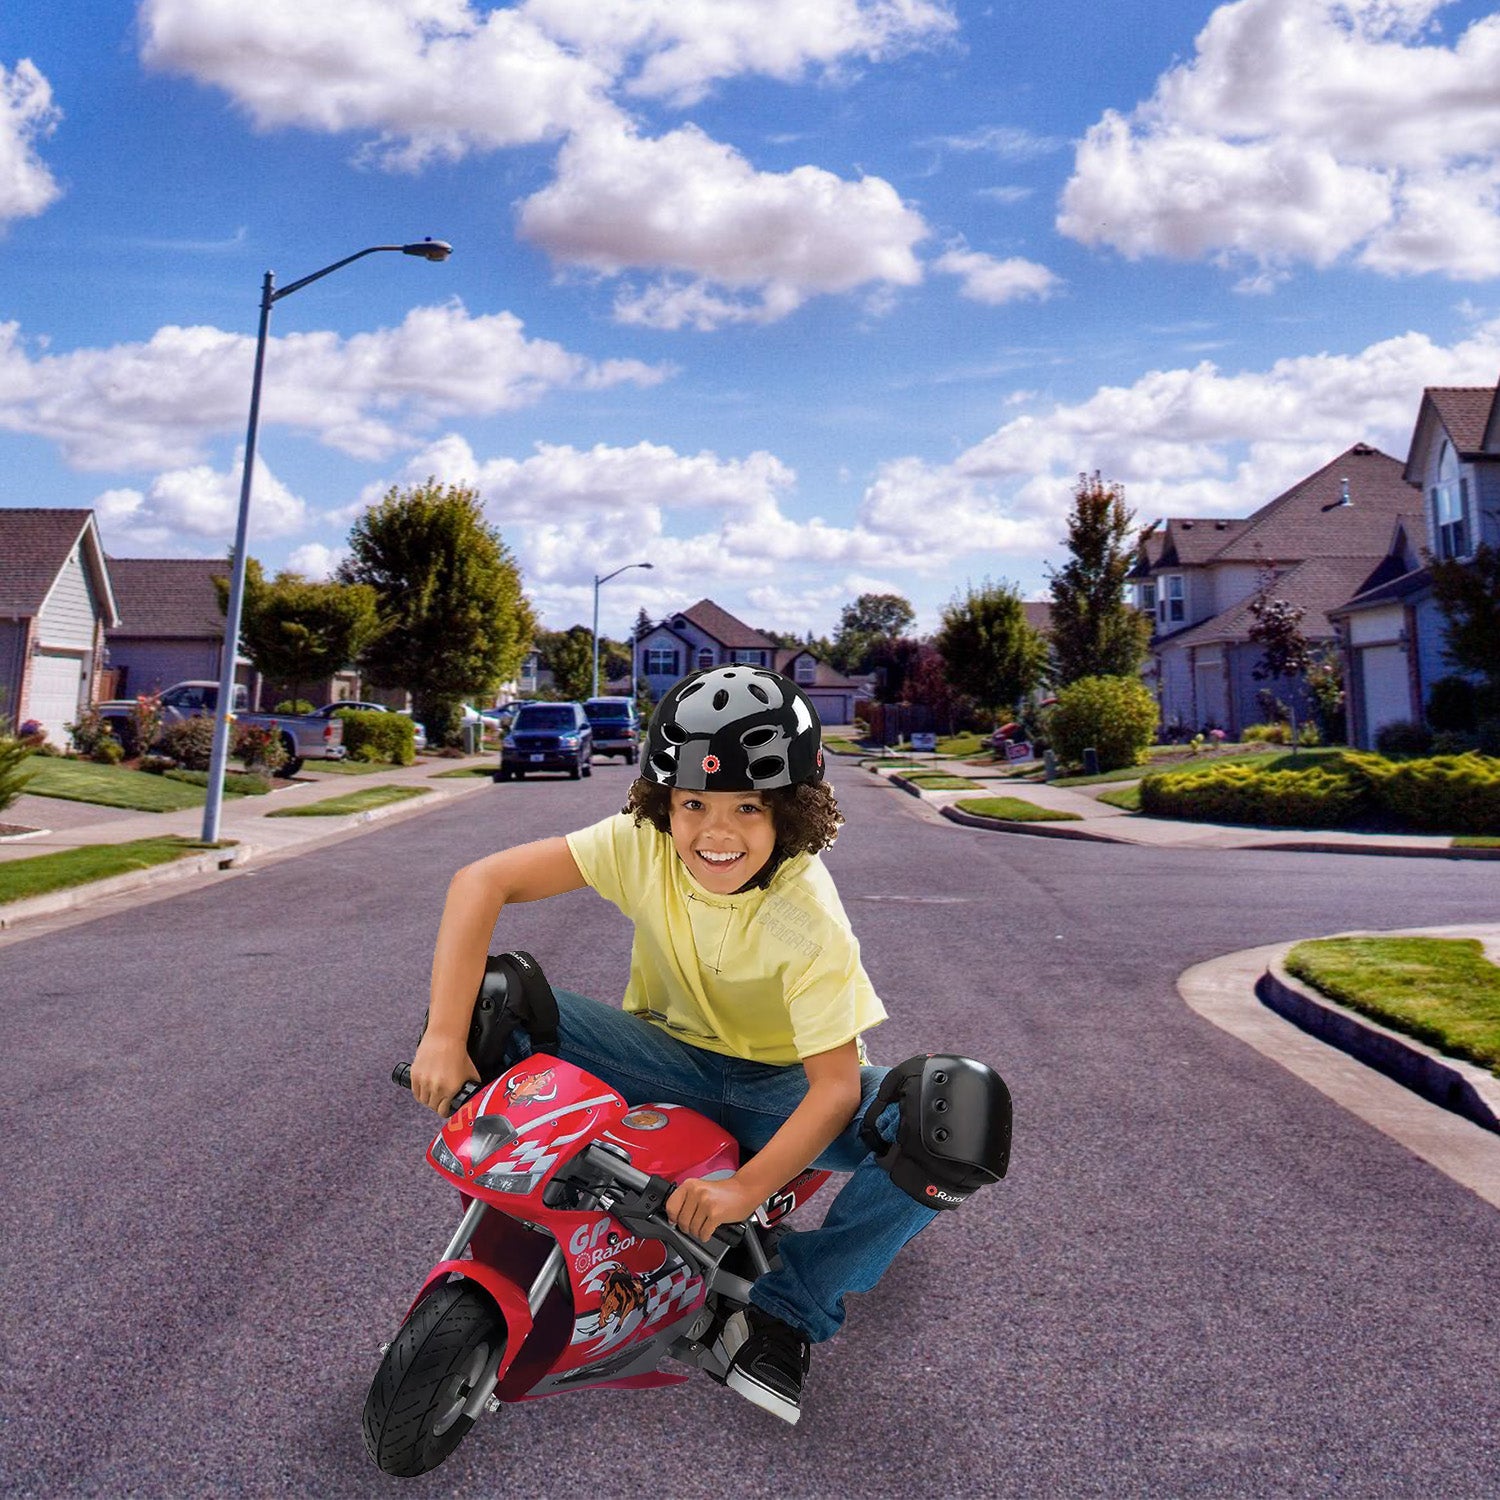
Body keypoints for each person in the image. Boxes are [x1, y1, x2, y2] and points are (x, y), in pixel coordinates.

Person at [410, 665, 938, 1423]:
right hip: (660, 1061)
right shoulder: (643, 843)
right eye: (693, 803)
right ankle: (534, 1211)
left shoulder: (806, 915)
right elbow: (479, 882)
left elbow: (834, 1092)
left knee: (950, 1118)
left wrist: (743, 1192)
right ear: (663, 802)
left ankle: (785, 1307)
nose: (715, 833)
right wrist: (441, 1036)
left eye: (748, 809)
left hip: (779, 1091)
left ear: (791, 813)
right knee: (490, 1000)